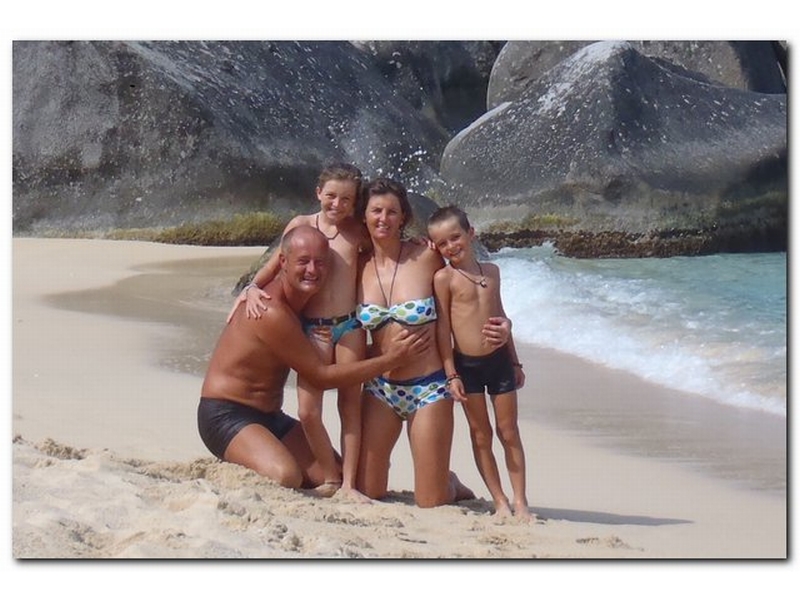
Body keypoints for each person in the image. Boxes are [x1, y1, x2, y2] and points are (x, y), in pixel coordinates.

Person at [199, 225, 429, 494]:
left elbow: (369, 252)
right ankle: (246, 453)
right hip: (225, 414)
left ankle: (259, 449)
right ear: (283, 262)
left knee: (338, 474)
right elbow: (321, 376)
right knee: (286, 475)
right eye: (303, 261)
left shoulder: (308, 303)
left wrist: (412, 245)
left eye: (320, 262)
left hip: (271, 417)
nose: (312, 270)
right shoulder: (271, 310)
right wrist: (391, 358)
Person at [226, 163, 370, 500]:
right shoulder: (300, 225)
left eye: (346, 199)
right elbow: (276, 263)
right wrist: (251, 288)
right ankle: (330, 475)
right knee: (308, 410)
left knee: (350, 407)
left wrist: (421, 245)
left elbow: (388, 251)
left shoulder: (356, 232)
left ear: (354, 202)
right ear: (318, 192)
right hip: (314, 328)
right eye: (331, 196)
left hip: (349, 325)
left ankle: (348, 483)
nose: (337, 204)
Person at [354, 177, 481, 508]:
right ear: (364, 215)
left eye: (392, 212)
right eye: (376, 211)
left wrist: (500, 324)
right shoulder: (356, 265)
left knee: (431, 501)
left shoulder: (426, 256)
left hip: (429, 388)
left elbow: (469, 289)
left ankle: (448, 481)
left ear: (404, 217)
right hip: (380, 388)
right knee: (368, 489)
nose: (384, 218)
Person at [427, 205, 532, 521]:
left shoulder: (492, 272)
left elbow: (501, 315)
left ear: (470, 233)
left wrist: (515, 362)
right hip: (467, 367)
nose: (451, 247)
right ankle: (499, 501)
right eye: (442, 243)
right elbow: (443, 329)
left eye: (455, 237)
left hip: (499, 362)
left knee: (508, 431)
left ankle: (521, 501)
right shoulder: (444, 278)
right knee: (481, 434)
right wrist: (451, 374)